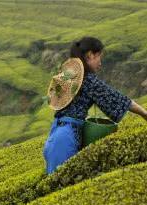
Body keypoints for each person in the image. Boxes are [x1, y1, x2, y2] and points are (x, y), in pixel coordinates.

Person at [44, 36, 147, 174]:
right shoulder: (88, 80)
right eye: (99, 57)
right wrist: (144, 113)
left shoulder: (69, 76)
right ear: (90, 55)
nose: (100, 63)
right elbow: (119, 99)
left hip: (55, 135)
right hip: (65, 138)